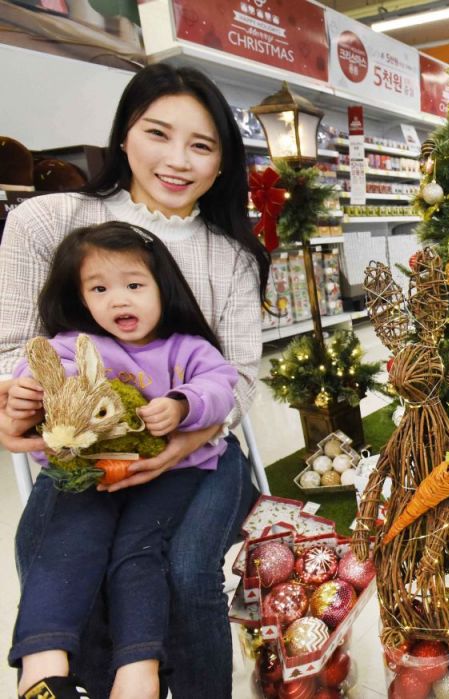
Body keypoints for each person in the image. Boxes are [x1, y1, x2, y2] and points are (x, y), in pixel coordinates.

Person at [0, 64, 270, 696]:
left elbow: (239, 377)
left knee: (184, 568)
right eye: (157, 133)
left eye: (201, 145)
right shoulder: (47, 221)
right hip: (86, 454)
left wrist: (181, 436)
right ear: (123, 134)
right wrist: (21, 408)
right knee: (56, 551)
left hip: (199, 452)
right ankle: (66, 681)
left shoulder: (231, 255)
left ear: (223, 162)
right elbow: (17, 352)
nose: (177, 161)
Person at [8, 223, 239, 699]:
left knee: (138, 551)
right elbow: (44, 366)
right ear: (80, 297)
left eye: (134, 285)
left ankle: (138, 670)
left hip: (173, 471)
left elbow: (220, 385)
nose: (118, 300)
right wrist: (30, 392)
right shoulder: (78, 345)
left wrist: (181, 404)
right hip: (95, 472)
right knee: (65, 540)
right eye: (99, 289)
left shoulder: (186, 347)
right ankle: (42, 663)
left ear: (162, 288)